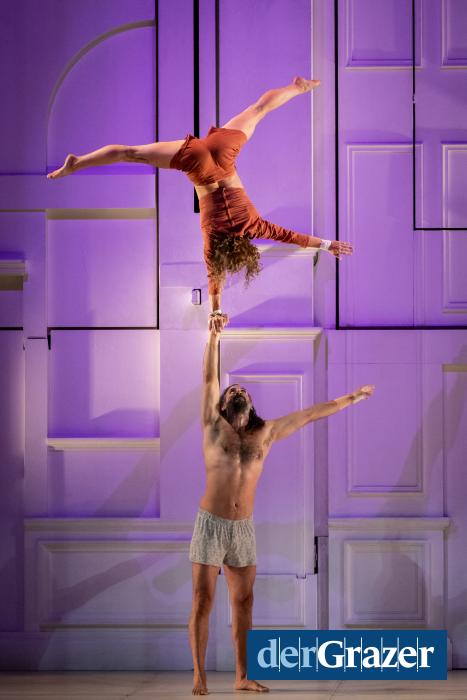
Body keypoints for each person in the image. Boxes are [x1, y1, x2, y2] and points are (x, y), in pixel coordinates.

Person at [47, 77, 353, 330]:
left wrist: (327, 244)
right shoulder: (214, 238)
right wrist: (215, 310)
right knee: (131, 153)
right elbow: (213, 277)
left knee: (259, 108)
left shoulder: (254, 226)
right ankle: (78, 163)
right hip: (198, 165)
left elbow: (290, 236)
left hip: (223, 154)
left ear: (246, 246)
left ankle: (297, 87)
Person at [190, 324, 375, 694]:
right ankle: (199, 675)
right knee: (203, 600)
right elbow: (209, 377)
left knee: (244, 601)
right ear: (223, 405)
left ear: (251, 405)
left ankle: (242, 676)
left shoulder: (266, 433)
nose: (237, 391)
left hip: (243, 527)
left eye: (243, 391)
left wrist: (352, 398)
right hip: (211, 524)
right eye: (232, 391)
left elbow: (309, 414)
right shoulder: (213, 426)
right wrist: (213, 337)